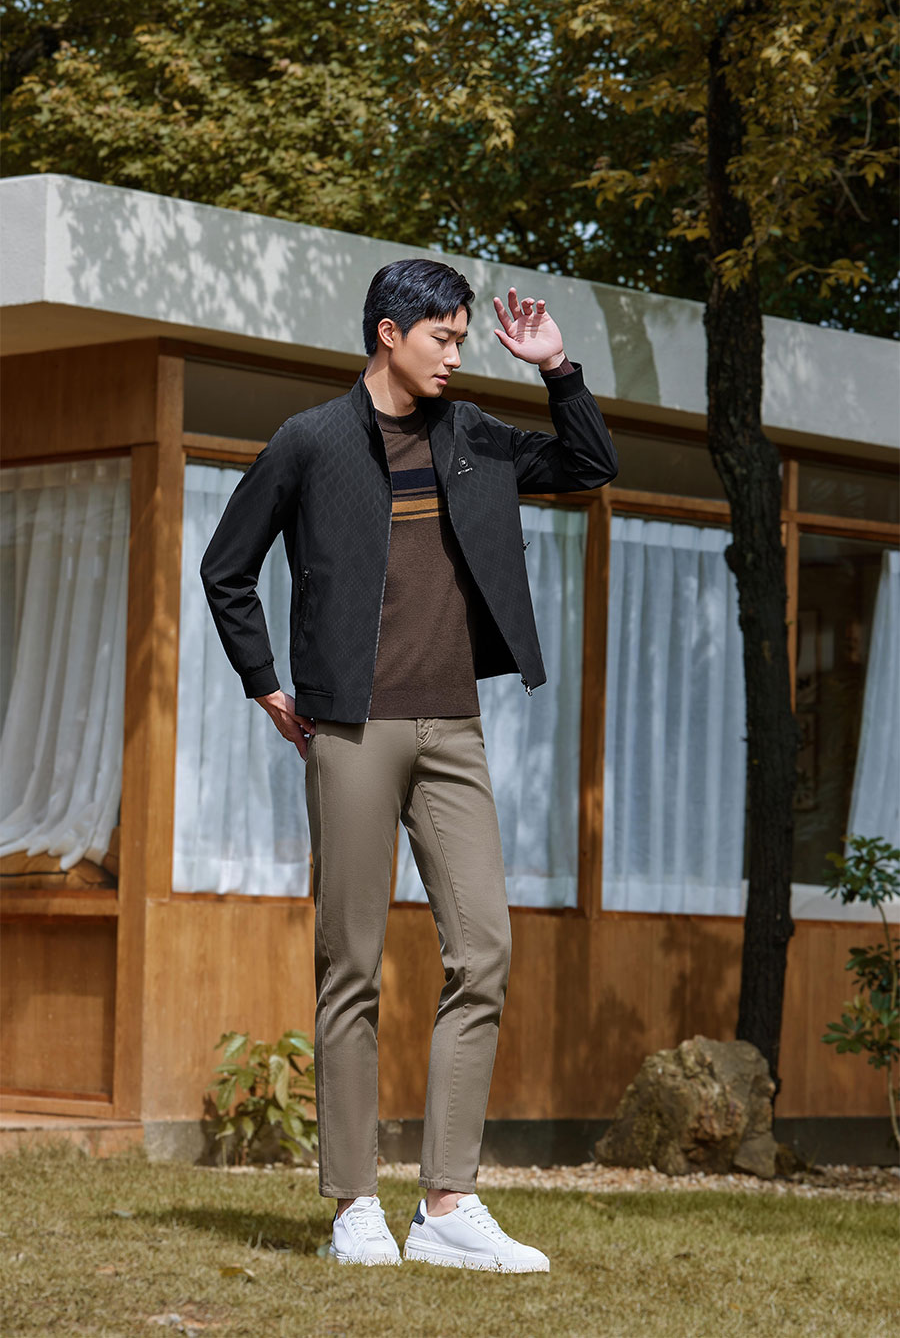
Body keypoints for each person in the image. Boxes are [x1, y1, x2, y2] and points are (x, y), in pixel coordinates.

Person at [200, 258, 617, 1273]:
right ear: (389, 333)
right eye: (444, 336)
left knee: (484, 950)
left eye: (465, 338)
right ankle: (355, 1204)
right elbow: (227, 567)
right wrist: (266, 683)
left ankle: (445, 1203)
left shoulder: (471, 434)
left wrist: (558, 369)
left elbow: (587, 464)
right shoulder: (310, 440)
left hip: (453, 729)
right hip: (350, 730)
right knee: (351, 964)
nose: (457, 354)